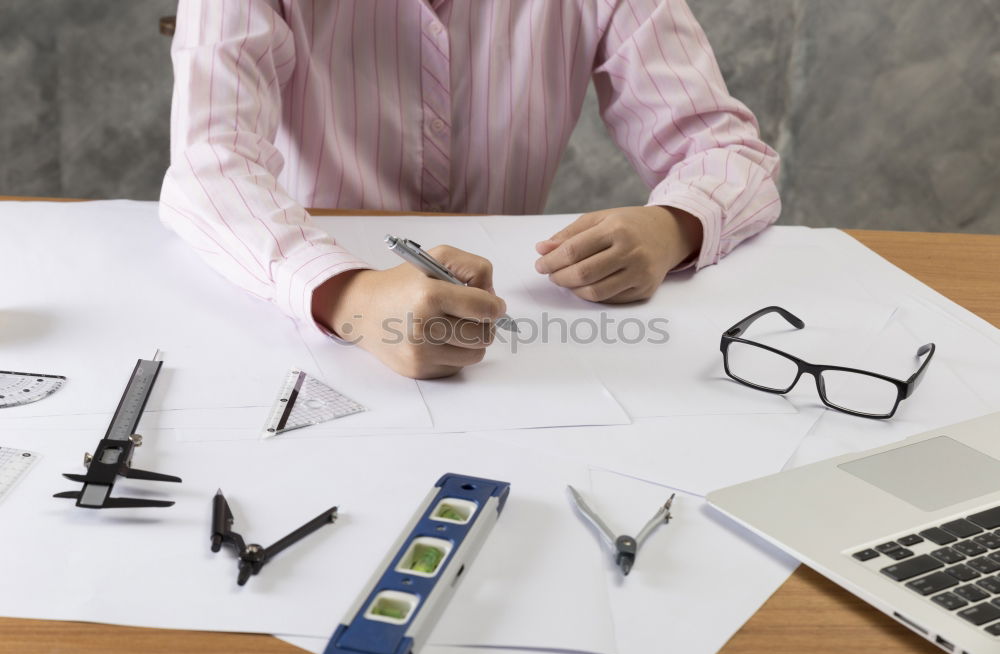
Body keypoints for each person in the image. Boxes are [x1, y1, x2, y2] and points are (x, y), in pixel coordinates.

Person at [160, 0, 780, 379]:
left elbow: (725, 151)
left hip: (515, 323)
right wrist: (352, 298)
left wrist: (673, 224)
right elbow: (209, 165)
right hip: (301, 313)